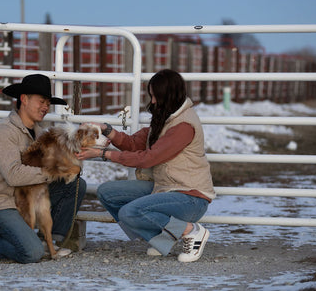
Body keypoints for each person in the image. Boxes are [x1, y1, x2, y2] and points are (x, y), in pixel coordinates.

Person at [76, 69, 215, 262]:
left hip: (189, 197)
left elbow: (148, 159)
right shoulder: (166, 118)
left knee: (130, 212)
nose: (153, 101)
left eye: (156, 96)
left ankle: (192, 231)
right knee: (107, 192)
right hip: (165, 187)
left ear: (169, 95)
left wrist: (102, 154)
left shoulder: (183, 126)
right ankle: (163, 238)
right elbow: (133, 144)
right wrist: (106, 129)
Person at [0, 74, 87, 263]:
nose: (45, 107)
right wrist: (54, 172)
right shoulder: (3, 132)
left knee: (75, 185)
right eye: (41, 101)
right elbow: (13, 176)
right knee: (31, 254)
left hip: (28, 198)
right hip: (0, 204)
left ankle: (50, 240)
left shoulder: (40, 133)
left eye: (48, 103)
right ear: (24, 99)